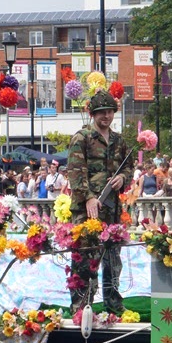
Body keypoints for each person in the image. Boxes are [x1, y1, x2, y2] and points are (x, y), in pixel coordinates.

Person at [67, 89, 132, 315]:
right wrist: (88, 197)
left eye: (110, 111)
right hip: (87, 210)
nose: (106, 116)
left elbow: (128, 167)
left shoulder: (118, 140)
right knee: (85, 257)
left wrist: (123, 178)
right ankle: (81, 305)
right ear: (93, 114)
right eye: (101, 112)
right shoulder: (82, 138)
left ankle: (113, 303)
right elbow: (75, 172)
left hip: (112, 209)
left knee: (113, 258)